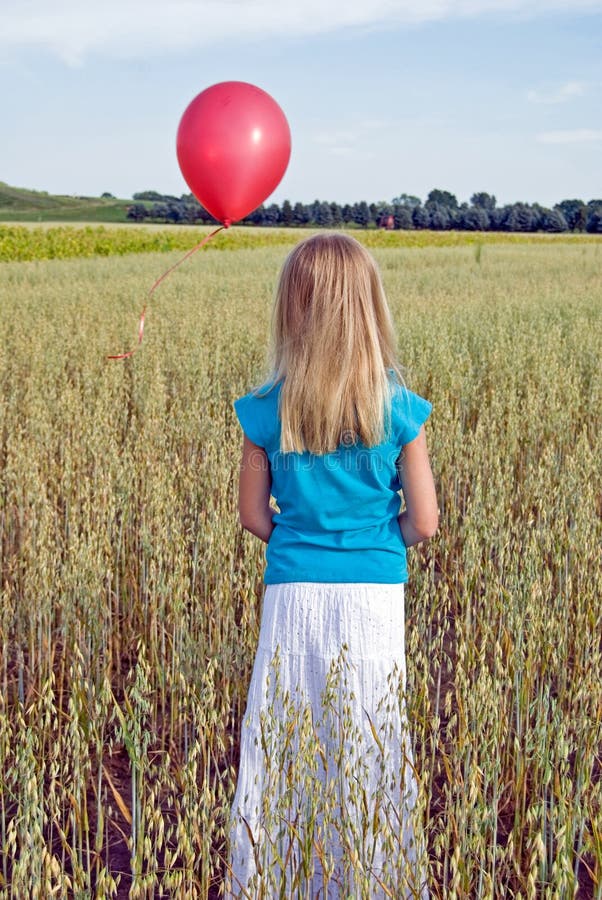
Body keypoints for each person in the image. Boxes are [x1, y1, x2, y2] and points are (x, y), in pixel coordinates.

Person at [227, 232, 438, 898]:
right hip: (374, 596)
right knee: (371, 738)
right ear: (368, 308)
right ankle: (374, 879)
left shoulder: (265, 412)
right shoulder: (400, 410)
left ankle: (282, 879)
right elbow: (425, 522)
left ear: (293, 310)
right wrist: (377, 543)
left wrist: (303, 542)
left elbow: (253, 514)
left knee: (288, 734)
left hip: (293, 594)